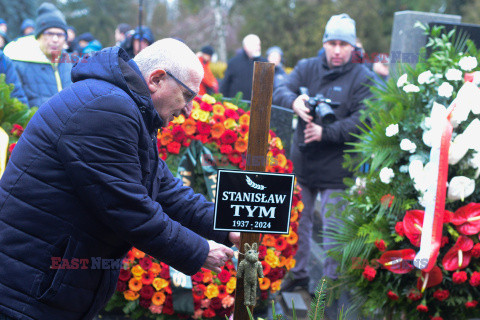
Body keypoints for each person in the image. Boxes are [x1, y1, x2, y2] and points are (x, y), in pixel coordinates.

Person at [0, 37, 240, 320]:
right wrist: (200, 250)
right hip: (27, 291)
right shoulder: (107, 109)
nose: (189, 110)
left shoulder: (122, 105)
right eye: (187, 96)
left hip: (44, 285)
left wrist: (229, 224)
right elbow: (128, 209)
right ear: (157, 79)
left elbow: (166, 190)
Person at [273, 13, 375, 318]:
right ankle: (298, 275)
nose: (337, 50)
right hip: (303, 163)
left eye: (343, 43)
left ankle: (329, 287)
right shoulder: (306, 67)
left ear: (353, 45)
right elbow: (281, 89)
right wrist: (294, 103)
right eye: (332, 42)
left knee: (332, 232)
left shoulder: (362, 76)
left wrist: (325, 131)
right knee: (297, 226)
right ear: (324, 43)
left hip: (338, 170)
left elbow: (363, 119)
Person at [3, 2, 72, 108]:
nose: (55, 39)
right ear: (38, 37)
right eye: (49, 34)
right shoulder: (19, 62)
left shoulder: (72, 63)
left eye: (60, 34)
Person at [220, 34, 267, 101]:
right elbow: (225, 85)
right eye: (255, 45)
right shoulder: (234, 62)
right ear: (245, 47)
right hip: (237, 106)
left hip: (258, 107)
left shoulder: (265, 63)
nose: (258, 48)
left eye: (259, 45)